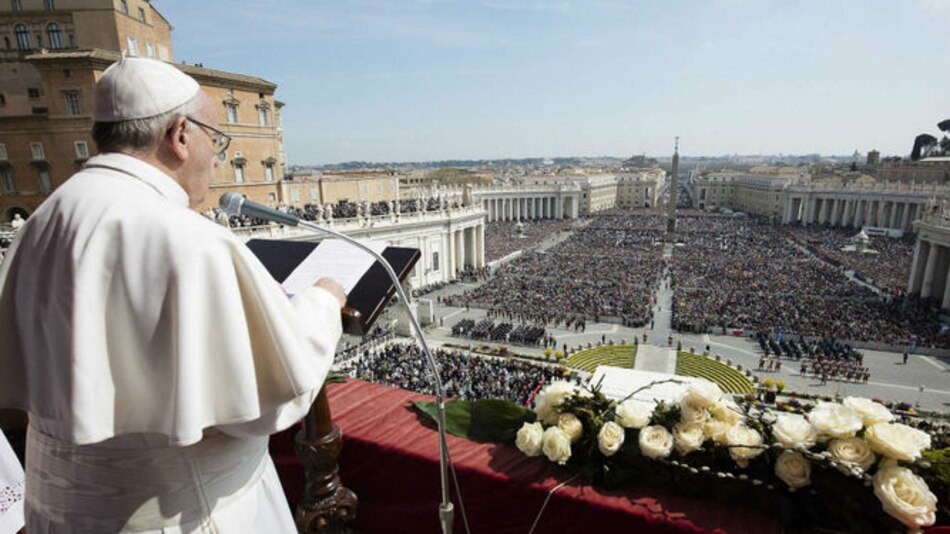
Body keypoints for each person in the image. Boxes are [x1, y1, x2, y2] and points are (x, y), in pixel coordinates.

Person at [0, 58, 346, 532]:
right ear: (180, 135)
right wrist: (323, 303)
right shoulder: (187, 239)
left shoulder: (42, 221)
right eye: (216, 141)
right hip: (181, 516)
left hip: (58, 513)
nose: (217, 157)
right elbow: (272, 398)